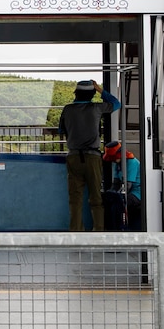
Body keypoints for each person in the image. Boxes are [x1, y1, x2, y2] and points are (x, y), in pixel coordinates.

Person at [58, 79, 121, 231]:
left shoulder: (68, 109)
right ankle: (98, 230)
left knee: (75, 198)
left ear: (76, 93)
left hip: (73, 157)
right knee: (96, 197)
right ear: (92, 94)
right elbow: (116, 103)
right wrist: (100, 89)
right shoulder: (96, 108)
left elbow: (61, 130)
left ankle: (76, 231)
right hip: (92, 157)